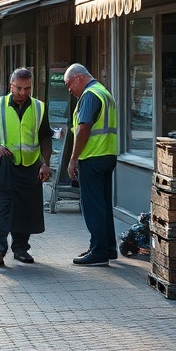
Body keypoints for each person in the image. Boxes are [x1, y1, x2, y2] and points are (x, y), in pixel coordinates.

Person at [0, 67, 52, 267]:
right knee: (1, 207)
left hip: (30, 168)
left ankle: (21, 249)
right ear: (11, 86)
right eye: (19, 88)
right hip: (5, 167)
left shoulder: (39, 108)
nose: (23, 93)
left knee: (25, 210)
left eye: (27, 88)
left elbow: (45, 137)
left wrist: (45, 164)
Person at [64, 63, 118, 266]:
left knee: (93, 207)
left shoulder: (90, 95)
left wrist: (73, 158)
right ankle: (108, 248)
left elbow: (83, 127)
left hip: (92, 158)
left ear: (78, 78)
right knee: (103, 206)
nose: (70, 90)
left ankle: (98, 252)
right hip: (107, 155)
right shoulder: (104, 92)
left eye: (69, 84)